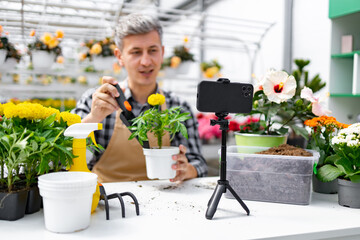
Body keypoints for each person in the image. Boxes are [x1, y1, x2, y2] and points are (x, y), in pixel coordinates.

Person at [72, 13, 207, 183]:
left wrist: (187, 170)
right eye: (136, 52)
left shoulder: (178, 107)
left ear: (162, 52)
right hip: (108, 202)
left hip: (166, 199)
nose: (145, 61)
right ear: (120, 56)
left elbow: (199, 163)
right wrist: (94, 118)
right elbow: (66, 160)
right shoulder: (96, 101)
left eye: (152, 50)